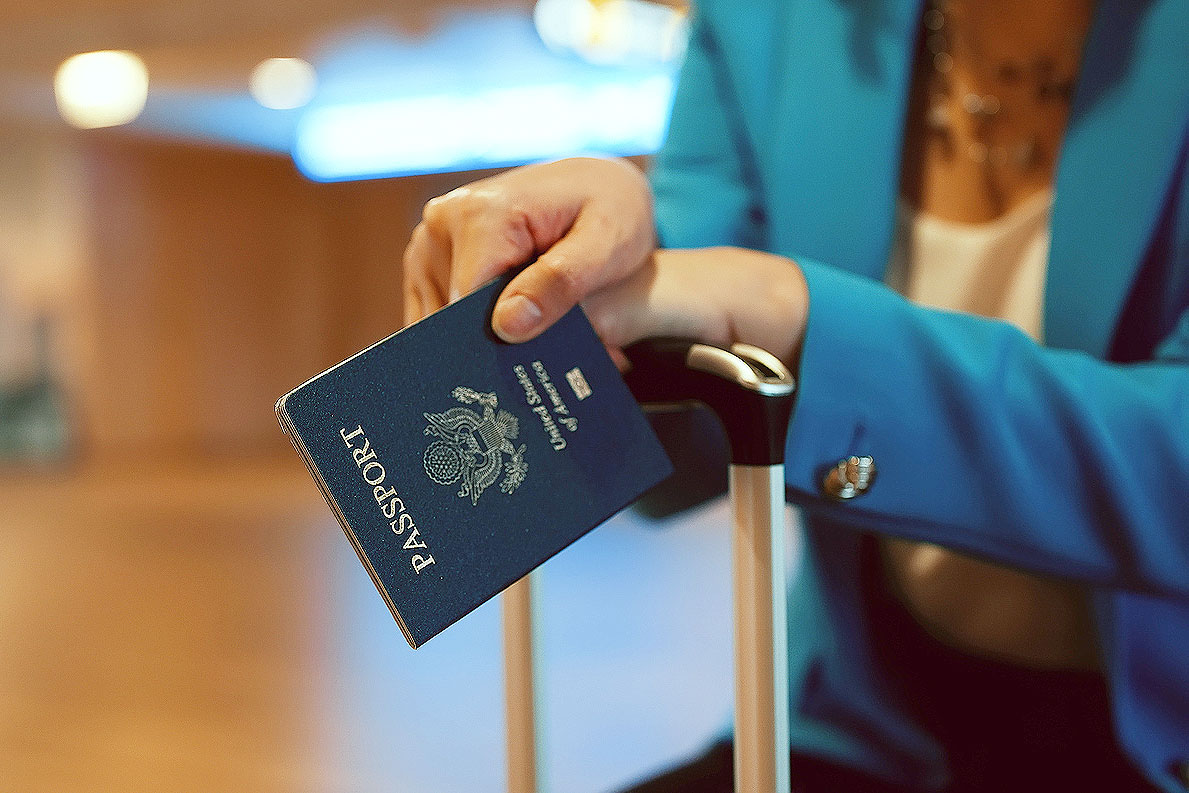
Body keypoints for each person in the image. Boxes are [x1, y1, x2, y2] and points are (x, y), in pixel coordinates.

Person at [400, 0, 1189, 790]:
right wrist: (581, 274)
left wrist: (793, 317)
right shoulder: (765, 21)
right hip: (876, 720)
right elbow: (683, 431)